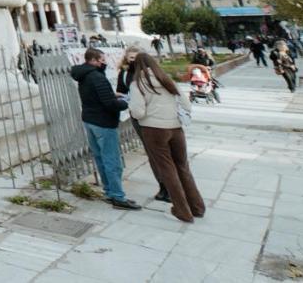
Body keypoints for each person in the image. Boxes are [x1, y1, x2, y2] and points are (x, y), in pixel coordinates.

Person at [128, 52, 205, 222]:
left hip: (154, 130)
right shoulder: (167, 80)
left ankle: (182, 211)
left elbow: (138, 112)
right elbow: (186, 105)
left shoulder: (138, 84)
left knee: (167, 169)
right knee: (183, 167)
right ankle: (197, 207)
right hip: (176, 128)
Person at [70, 47, 140, 210]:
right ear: (93, 60)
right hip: (103, 122)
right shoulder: (96, 77)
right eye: (102, 60)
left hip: (90, 120)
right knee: (112, 160)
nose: (105, 63)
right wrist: (125, 103)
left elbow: (96, 96)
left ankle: (109, 191)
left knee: (101, 158)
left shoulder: (84, 75)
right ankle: (117, 196)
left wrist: (111, 95)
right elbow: (109, 104)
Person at [116, 48, 170, 203]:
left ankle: (171, 187)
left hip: (157, 116)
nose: (133, 60)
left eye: (136, 57)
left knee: (162, 153)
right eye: (130, 58)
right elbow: (120, 91)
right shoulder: (125, 74)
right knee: (152, 152)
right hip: (139, 117)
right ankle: (163, 186)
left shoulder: (152, 73)